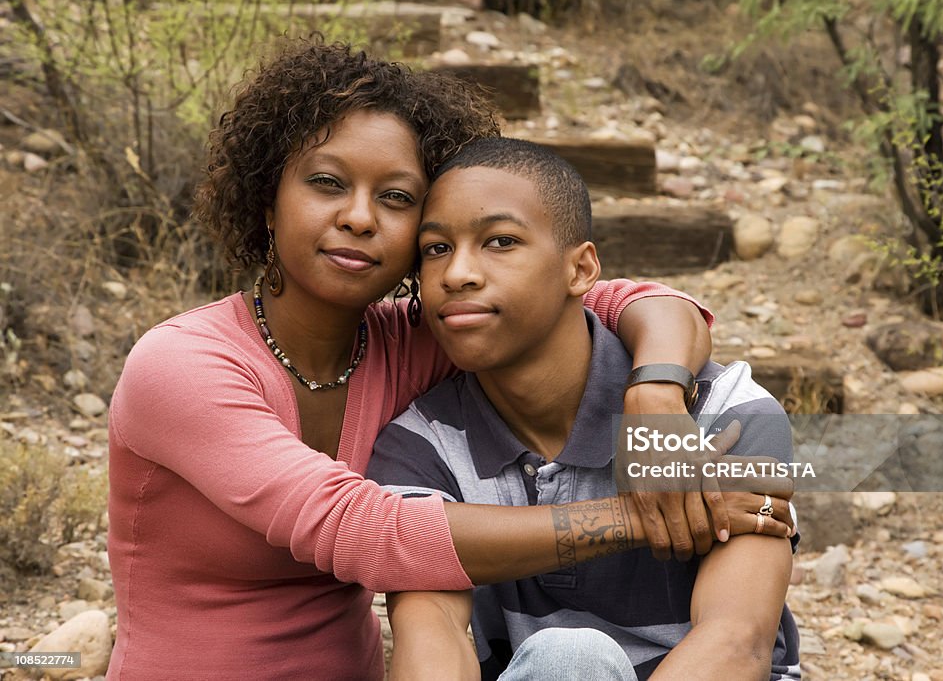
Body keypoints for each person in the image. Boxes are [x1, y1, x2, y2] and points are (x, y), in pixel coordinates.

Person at [105, 39, 783, 679]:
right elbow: (368, 532)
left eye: (396, 198)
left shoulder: (413, 337)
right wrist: (639, 514)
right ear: (267, 203)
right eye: (325, 183)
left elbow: (606, 299)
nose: (360, 217)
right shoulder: (183, 365)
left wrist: (657, 393)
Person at [366, 137, 801, 680]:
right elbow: (430, 638)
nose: (457, 274)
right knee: (567, 659)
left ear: (581, 269)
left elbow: (738, 641)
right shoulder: (422, 444)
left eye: (500, 241)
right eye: (436, 249)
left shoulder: (725, 413)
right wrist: (633, 520)